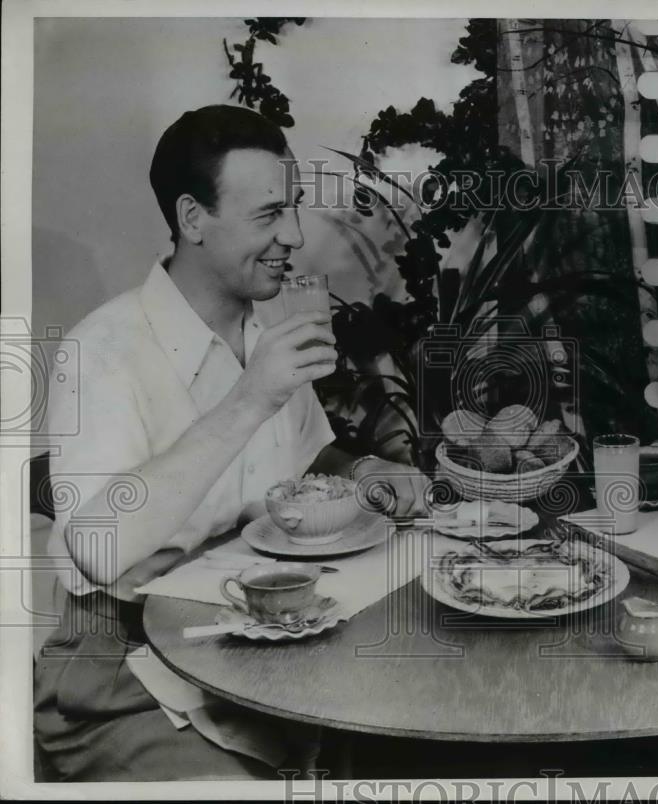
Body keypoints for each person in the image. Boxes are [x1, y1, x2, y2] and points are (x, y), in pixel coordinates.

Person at [34, 105, 430, 781]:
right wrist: (250, 398)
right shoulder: (102, 351)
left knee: (426, 730)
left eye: (295, 208)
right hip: (123, 678)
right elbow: (97, 553)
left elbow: (307, 459)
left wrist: (365, 468)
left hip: (261, 644)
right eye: (270, 214)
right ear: (193, 220)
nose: (296, 235)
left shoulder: (265, 326)